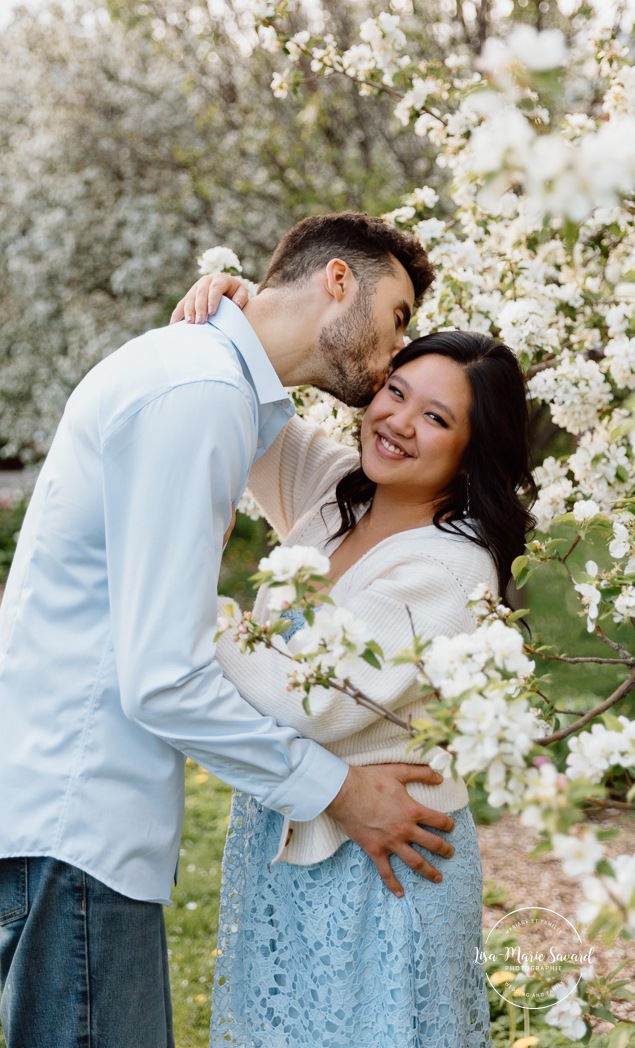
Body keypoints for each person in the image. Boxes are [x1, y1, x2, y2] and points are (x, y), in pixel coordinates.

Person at [0, 212, 464, 1048]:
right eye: (396, 318)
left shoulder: (212, 379)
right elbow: (163, 674)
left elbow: (276, 442)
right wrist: (337, 793)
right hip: (79, 811)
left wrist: (239, 304)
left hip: (83, 814)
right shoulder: (199, 393)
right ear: (336, 280)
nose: (394, 356)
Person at [175, 279, 536, 1045]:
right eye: (394, 392)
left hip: (385, 864)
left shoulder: (450, 569)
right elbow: (250, 402)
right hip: (299, 829)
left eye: (434, 417)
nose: (397, 423)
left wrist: (174, 601)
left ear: (472, 450)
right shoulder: (339, 492)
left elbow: (302, 697)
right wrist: (238, 305)